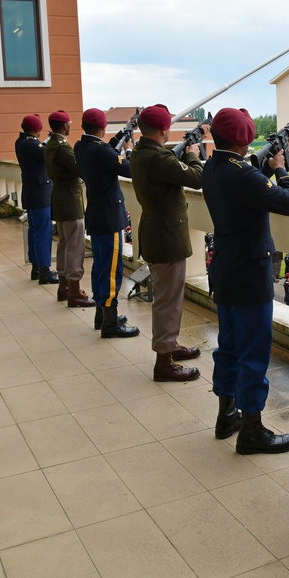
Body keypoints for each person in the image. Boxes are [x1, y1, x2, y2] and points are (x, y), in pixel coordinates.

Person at [201, 107, 289, 452]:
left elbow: (245, 180)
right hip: (249, 272)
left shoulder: (213, 167)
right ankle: (252, 430)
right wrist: (281, 169)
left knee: (228, 346)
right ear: (246, 139)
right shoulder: (243, 175)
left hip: (226, 269)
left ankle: (226, 414)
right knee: (254, 352)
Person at [130, 104, 204, 382]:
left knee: (168, 297)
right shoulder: (160, 158)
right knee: (167, 301)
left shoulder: (141, 151)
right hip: (167, 235)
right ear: (165, 129)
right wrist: (194, 155)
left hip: (157, 230)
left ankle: (170, 345)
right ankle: (164, 361)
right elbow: (197, 178)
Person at [74, 107, 139, 338]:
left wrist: (119, 137)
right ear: (103, 128)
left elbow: (104, 152)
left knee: (100, 267)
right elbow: (128, 170)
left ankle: (102, 315)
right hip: (109, 217)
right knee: (112, 271)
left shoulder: (81, 146)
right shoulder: (102, 151)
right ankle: (111, 324)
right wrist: (130, 150)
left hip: (96, 213)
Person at [44, 110, 94, 308]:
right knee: (75, 246)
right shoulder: (63, 147)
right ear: (65, 126)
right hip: (70, 199)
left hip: (59, 197)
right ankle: (74, 291)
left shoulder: (50, 143)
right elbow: (79, 169)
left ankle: (64, 287)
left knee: (64, 243)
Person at [14, 114, 57, 284]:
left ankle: (36, 267)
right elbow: (47, 153)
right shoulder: (31, 144)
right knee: (43, 233)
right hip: (40, 194)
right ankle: (45, 270)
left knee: (34, 231)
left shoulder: (21, 142)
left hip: (31, 192)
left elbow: (40, 149)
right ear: (37, 129)